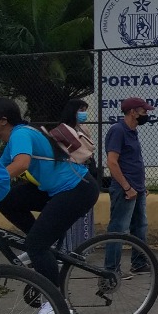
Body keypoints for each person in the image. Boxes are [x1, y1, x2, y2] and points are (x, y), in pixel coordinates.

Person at [0, 98, 100, 314]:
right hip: (56, 190)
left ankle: (55, 303)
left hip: (77, 189)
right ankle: (43, 244)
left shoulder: (20, 134)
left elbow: (21, 164)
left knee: (36, 245)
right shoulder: (13, 139)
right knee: (7, 199)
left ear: (3, 120)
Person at [104, 97, 153, 275]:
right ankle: (111, 270)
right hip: (125, 189)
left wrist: (140, 186)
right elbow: (112, 162)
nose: (146, 114)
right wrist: (126, 187)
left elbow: (133, 160)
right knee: (118, 229)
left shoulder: (132, 131)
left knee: (140, 226)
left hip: (136, 188)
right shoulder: (118, 130)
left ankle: (139, 263)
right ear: (133, 112)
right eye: (143, 110)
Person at [58, 98, 96, 253]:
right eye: (81, 110)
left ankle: (82, 249)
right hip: (71, 174)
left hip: (85, 172)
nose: (83, 113)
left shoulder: (84, 129)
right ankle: (66, 249)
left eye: (85, 110)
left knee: (84, 215)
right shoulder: (63, 130)